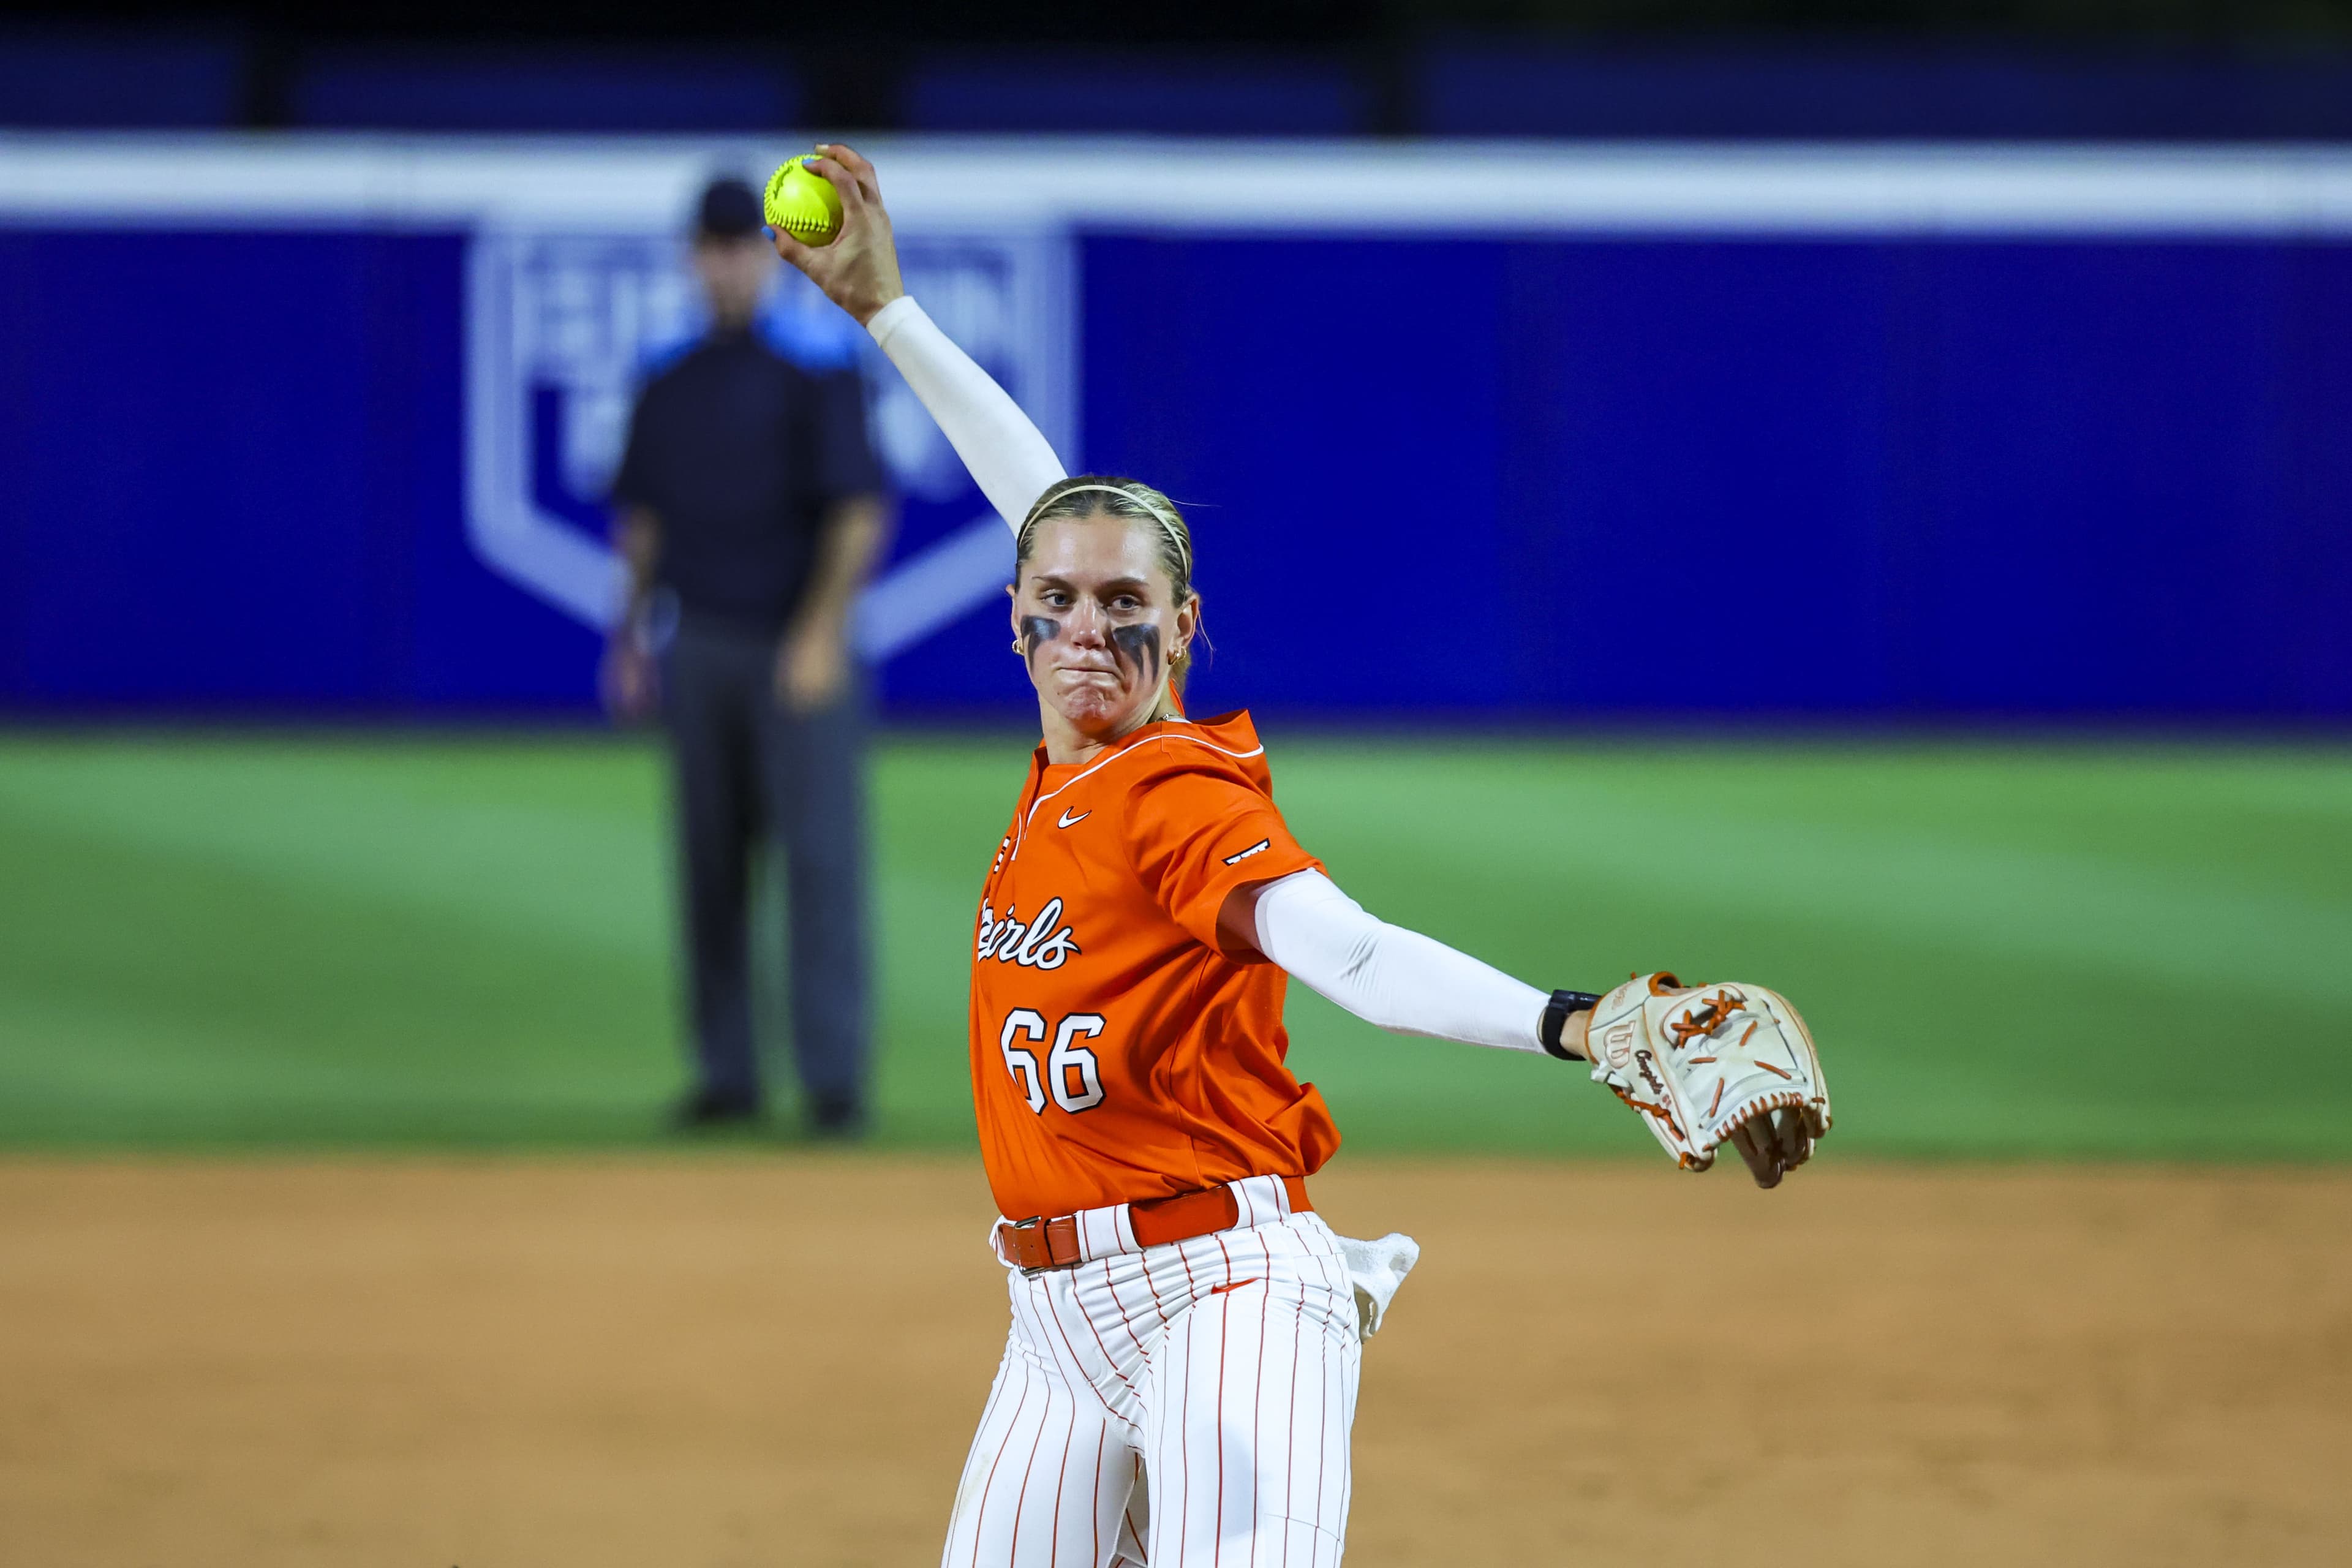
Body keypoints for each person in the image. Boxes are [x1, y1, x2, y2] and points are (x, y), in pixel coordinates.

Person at [774, 144, 1822, 1564]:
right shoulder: (1066, 767)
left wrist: (1577, 1020)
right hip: (1052, 1324)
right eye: (1060, 602)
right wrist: (889, 312)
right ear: (1013, 619)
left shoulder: (1176, 795)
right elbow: (1046, 500)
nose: (1091, 626)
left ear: (1184, 630)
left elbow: (1360, 955)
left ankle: (1322, 1287)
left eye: (1127, 606)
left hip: (1222, 1296)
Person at [606, 174, 889, 1136]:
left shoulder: (814, 369)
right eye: (712, 246)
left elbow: (858, 513)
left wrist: (819, 636)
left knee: (819, 869)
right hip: (703, 641)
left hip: (792, 645)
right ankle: (727, 1075)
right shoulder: (667, 378)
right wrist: (632, 634)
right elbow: (643, 519)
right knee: (710, 869)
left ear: (761, 258)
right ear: (693, 256)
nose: (725, 262)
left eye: (739, 246)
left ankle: (833, 1082)